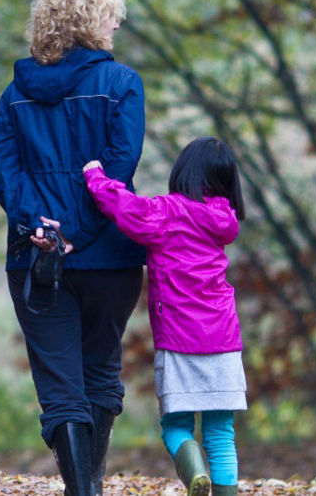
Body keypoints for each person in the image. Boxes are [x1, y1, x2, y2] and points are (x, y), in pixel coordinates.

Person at [0, 0, 146, 496]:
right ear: (94, 21)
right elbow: (119, 166)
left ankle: (84, 491)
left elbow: (0, 169)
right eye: (112, 17)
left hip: (36, 258)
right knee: (100, 374)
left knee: (60, 389)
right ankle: (88, 488)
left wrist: (41, 227)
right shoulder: (123, 85)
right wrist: (74, 230)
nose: (116, 26)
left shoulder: (14, 94)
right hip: (110, 256)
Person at [82, 137, 248, 496]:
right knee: (221, 433)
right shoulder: (224, 221)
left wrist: (95, 176)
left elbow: (124, 207)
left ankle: (196, 474)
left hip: (178, 338)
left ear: (184, 172)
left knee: (175, 425)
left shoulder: (167, 212)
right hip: (223, 340)